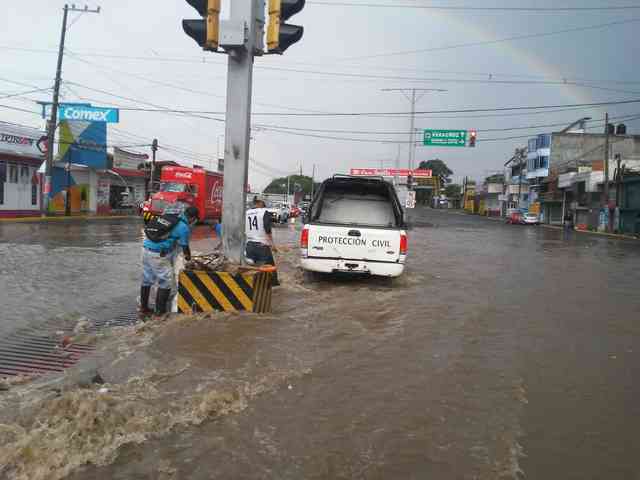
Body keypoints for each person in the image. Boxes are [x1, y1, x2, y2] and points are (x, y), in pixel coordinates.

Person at [140, 205, 199, 316]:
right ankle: (160, 313)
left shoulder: (170, 218)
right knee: (166, 283)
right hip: (158, 255)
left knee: (146, 280)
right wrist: (189, 260)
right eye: (194, 220)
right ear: (192, 218)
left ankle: (144, 308)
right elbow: (185, 247)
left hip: (145, 249)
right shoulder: (183, 227)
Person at [245, 196, 280, 286]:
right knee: (271, 272)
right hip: (262, 247)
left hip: (249, 246)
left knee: (252, 270)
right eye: (264, 203)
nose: (264, 205)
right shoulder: (264, 212)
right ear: (261, 203)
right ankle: (273, 290)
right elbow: (267, 229)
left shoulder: (247, 212)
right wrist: (272, 245)